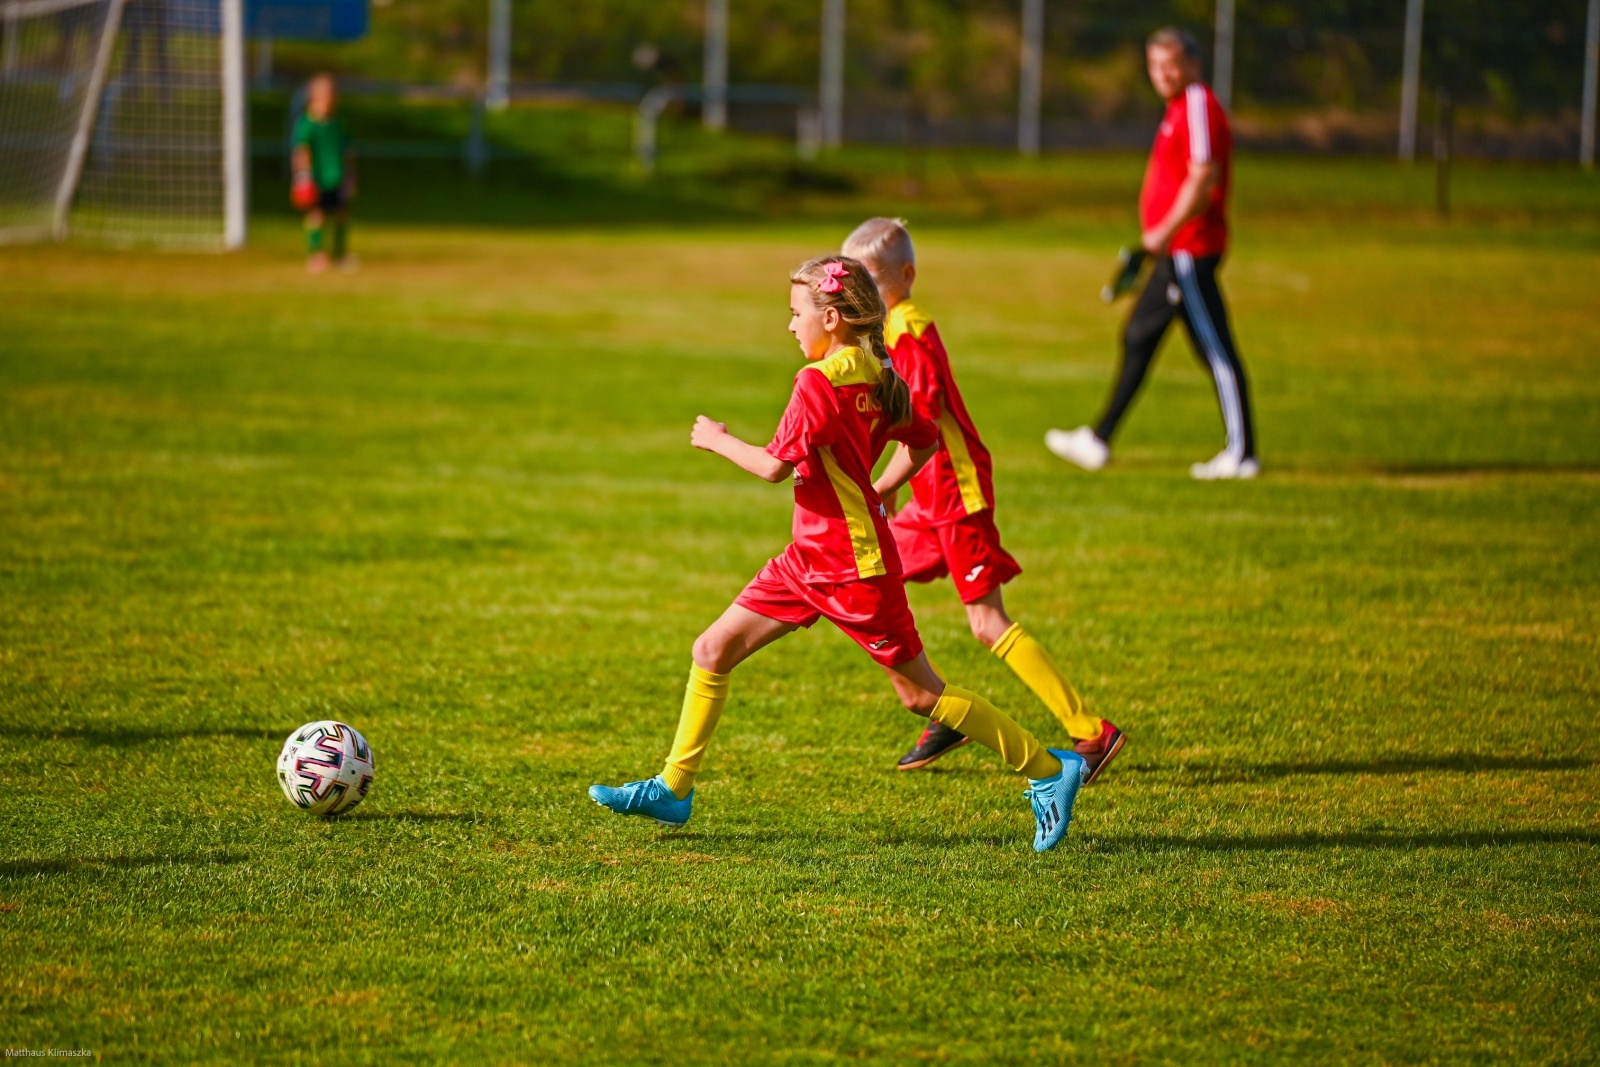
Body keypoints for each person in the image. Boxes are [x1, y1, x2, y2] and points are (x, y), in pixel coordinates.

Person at [589, 255, 1089, 852]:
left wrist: (717, 440)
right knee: (712, 648)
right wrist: (875, 487)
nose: (790, 326)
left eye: (796, 313)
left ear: (830, 317)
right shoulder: (877, 370)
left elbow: (776, 466)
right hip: (808, 560)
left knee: (922, 695)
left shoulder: (819, 382)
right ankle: (674, 787)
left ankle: (1049, 770)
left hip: (853, 570)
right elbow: (924, 437)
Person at [842, 218, 1126, 782]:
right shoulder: (888, 332)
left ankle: (1092, 731)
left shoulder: (910, 331)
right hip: (928, 494)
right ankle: (939, 705)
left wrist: (877, 488)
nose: (859, 292)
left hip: (954, 491)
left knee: (987, 622)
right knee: (861, 576)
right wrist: (891, 494)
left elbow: (920, 423)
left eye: (869, 278)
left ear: (906, 276)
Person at [1046, 27, 1258, 481]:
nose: (1163, 74)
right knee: (1138, 335)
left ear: (1193, 65)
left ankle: (1241, 454)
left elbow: (1204, 176)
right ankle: (1098, 439)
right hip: (1172, 253)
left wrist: (1165, 229)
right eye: (1156, 65)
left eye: (1172, 64)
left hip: (1188, 249)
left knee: (1216, 352)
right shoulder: (1178, 109)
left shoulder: (1197, 102)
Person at [291, 74, 355, 273]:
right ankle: (316, 254)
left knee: (341, 214)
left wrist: (351, 175)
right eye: (326, 94)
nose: (330, 99)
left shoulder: (338, 123)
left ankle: (340, 254)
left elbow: (347, 151)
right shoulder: (307, 124)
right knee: (316, 216)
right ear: (314, 96)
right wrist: (302, 177)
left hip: (336, 176)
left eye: (332, 94)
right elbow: (300, 152)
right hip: (316, 177)